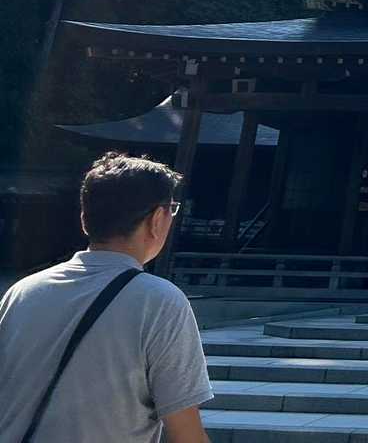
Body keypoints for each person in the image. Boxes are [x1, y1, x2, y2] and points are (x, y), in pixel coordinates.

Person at [0, 152, 212, 443]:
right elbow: (186, 433)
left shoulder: (22, 292)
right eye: (171, 210)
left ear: (84, 218)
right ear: (157, 220)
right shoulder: (160, 302)